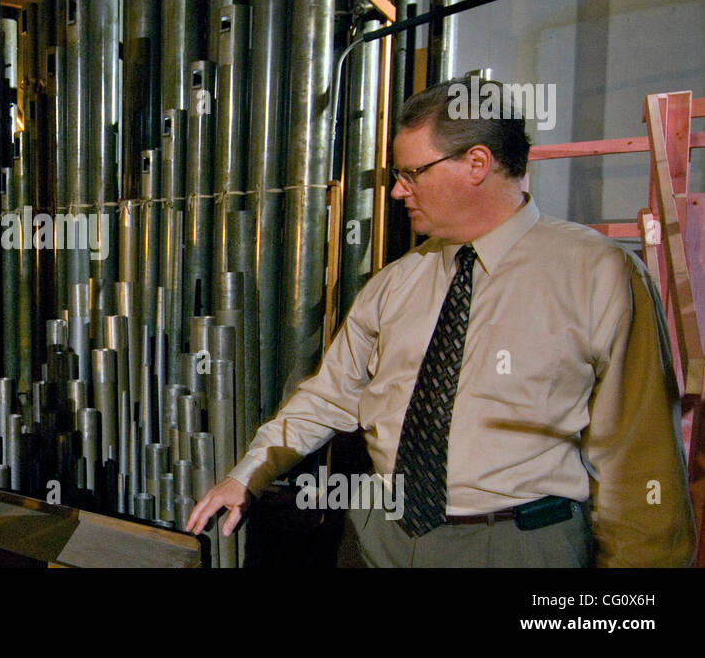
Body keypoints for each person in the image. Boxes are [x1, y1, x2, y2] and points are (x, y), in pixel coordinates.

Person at [187, 77, 696, 567]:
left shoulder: (599, 273)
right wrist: (248, 474)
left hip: (519, 547)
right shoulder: (395, 282)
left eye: (411, 173)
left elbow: (639, 457)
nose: (396, 192)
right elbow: (326, 397)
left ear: (476, 163)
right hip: (379, 536)